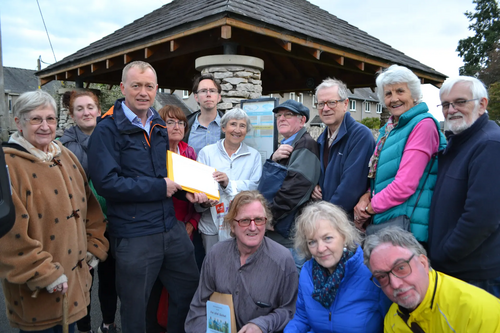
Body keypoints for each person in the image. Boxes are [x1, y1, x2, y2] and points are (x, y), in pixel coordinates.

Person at [88, 61, 206, 333]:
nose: (143, 92)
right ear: (123, 88)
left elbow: (166, 171)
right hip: (134, 233)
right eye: (136, 85)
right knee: (135, 309)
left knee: (189, 291)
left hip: (169, 227)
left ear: (156, 89)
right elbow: (106, 183)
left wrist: (191, 191)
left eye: (149, 86)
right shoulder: (106, 130)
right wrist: (158, 188)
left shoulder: (158, 123)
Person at [0, 90, 109, 332]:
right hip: (36, 297)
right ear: (18, 122)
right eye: (36, 119)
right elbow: (7, 236)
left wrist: (94, 246)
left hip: (75, 287)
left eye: (50, 119)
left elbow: (91, 207)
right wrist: (44, 273)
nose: (45, 126)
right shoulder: (7, 166)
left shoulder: (65, 155)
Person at [353, 65, 446, 244]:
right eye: (388, 94)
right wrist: (367, 195)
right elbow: (380, 175)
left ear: (414, 94)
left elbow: (405, 185)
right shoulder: (389, 129)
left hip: (410, 228)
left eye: (400, 91)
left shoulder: (422, 125)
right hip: (389, 224)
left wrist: (369, 208)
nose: (394, 99)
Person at [185, 191, 298, 332]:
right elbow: (198, 308)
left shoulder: (282, 259)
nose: (252, 227)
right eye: (244, 221)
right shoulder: (216, 255)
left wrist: (261, 325)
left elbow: (290, 311)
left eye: (258, 220)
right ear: (232, 226)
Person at [428, 76, 500, 297]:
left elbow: (482, 218)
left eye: (460, 102)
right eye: (446, 104)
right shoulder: (458, 142)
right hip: (457, 270)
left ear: (482, 104)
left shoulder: (489, 144)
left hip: (476, 275)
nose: (452, 110)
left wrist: (444, 255)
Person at [60, 90, 119, 333]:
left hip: (113, 219)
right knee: (83, 280)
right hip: (82, 224)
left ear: (98, 110)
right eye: (80, 109)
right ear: (72, 115)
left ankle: (108, 324)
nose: (86, 112)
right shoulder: (64, 145)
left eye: (90, 107)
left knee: (109, 278)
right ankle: (83, 328)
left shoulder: (112, 136)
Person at [363, 227, 500, 332]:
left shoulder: (478, 311)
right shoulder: (392, 320)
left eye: (401, 268)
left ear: (423, 262)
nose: (395, 284)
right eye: (382, 277)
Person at [284, 201, 390, 332]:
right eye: (312, 242)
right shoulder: (307, 271)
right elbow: (302, 318)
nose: (321, 248)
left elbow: (391, 322)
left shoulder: (371, 271)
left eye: (327, 238)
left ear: (344, 236)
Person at [146, 105, 202, 333]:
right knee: (154, 287)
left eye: (180, 122)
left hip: (184, 228)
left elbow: (199, 192)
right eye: (170, 122)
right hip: (156, 228)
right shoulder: (152, 153)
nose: (176, 126)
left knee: (181, 288)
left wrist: (192, 223)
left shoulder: (189, 152)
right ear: (159, 126)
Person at [262, 99, 320, 269]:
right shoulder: (287, 145)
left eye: (288, 115)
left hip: (288, 235)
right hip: (278, 233)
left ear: (302, 120)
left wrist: (269, 216)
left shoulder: (305, 145)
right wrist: (273, 159)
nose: (281, 119)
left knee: (291, 285)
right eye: (279, 115)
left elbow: (294, 189)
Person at [196, 107, 262, 254]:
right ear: (223, 127)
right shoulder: (207, 153)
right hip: (211, 224)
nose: (237, 130)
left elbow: (254, 186)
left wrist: (228, 183)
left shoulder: (254, 156)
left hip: (243, 224)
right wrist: (204, 201)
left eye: (242, 126)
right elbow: (198, 187)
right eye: (233, 124)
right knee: (214, 266)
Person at [311, 78, 375, 217]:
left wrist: (325, 217)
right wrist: (314, 186)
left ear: (345, 104)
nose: (325, 108)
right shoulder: (322, 139)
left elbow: (351, 188)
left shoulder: (360, 135)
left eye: (332, 102)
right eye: (321, 103)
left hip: (344, 223)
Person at [184, 74, 225, 155]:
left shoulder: (228, 125)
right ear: (196, 97)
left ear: (219, 97)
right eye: (203, 91)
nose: (208, 94)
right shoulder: (185, 126)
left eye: (212, 91)